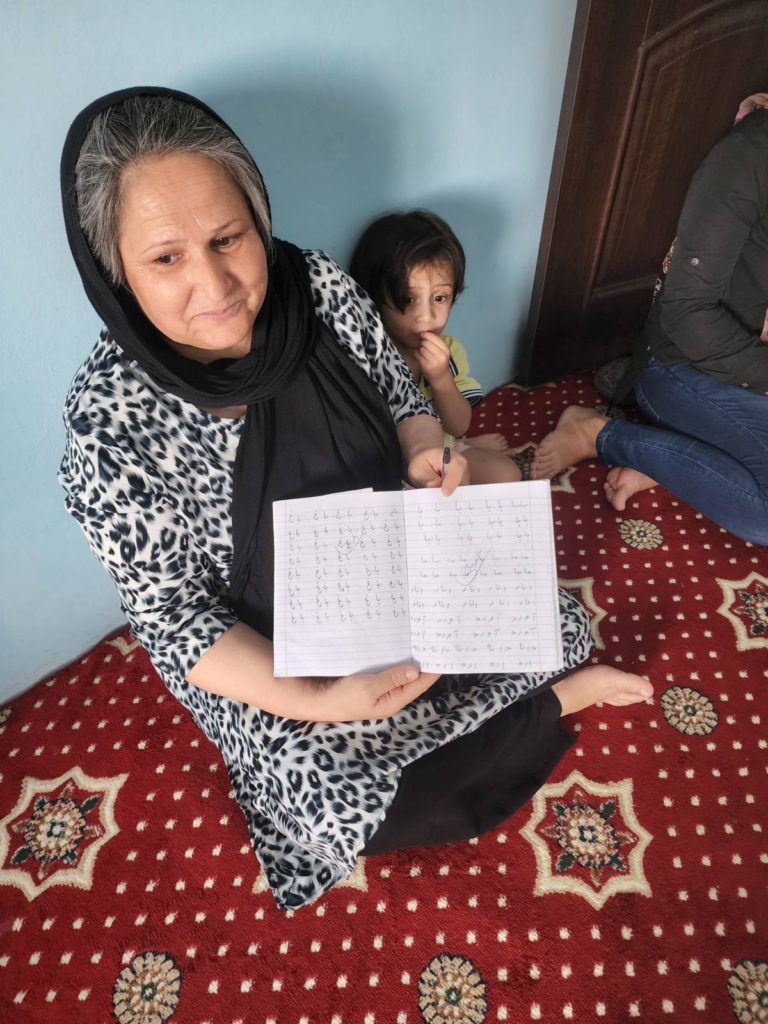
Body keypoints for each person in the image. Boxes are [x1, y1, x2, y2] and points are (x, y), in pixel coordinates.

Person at [59, 87, 653, 910]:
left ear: (257, 216)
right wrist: (316, 698)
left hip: (394, 555)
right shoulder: (106, 426)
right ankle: (549, 704)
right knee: (337, 795)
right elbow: (175, 623)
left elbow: (406, 400)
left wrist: (422, 456)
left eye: (229, 238)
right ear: (115, 272)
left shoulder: (318, 288)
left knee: (542, 618)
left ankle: (532, 694)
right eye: (165, 259)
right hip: (270, 645)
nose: (216, 284)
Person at [531, 101, 768, 546]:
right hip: (682, 367)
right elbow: (687, 316)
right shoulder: (749, 159)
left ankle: (678, 463)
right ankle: (600, 433)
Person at [350, 210, 521, 484]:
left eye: (439, 297)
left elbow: (459, 424)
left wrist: (440, 378)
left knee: (508, 475)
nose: (427, 317)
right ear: (374, 298)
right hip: (393, 465)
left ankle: (470, 447)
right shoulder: (368, 356)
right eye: (407, 299)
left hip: (446, 451)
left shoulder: (449, 350)